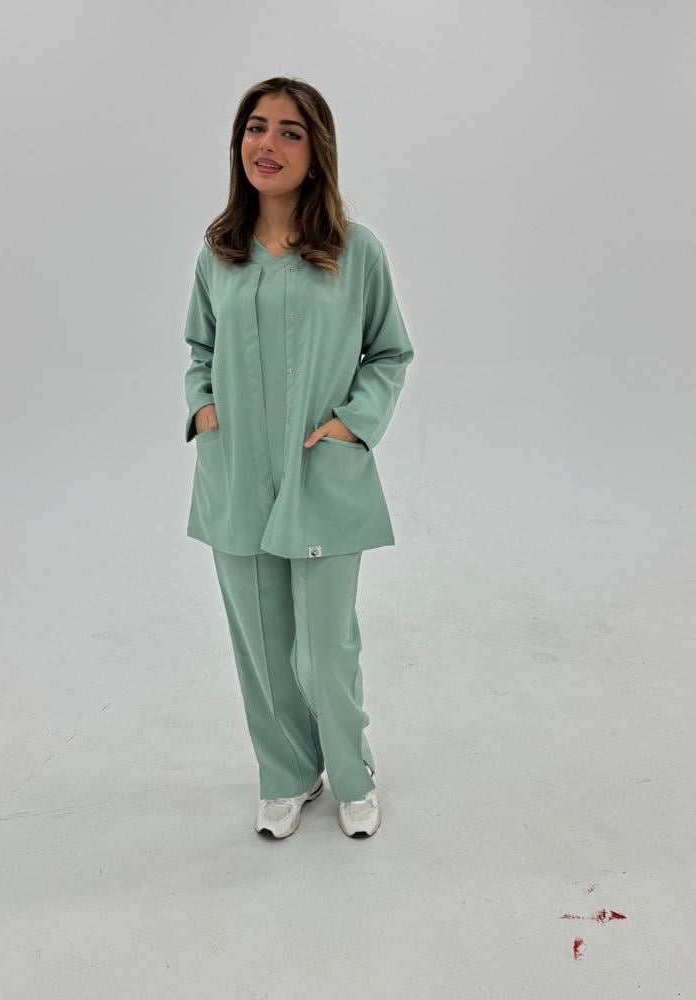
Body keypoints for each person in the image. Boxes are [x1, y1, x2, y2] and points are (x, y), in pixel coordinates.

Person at [182, 76, 414, 839]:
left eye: (289, 131)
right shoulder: (219, 252)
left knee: (322, 647)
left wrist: (353, 424)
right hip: (236, 475)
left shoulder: (355, 249)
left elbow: (388, 352)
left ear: (317, 151)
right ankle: (286, 772)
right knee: (260, 644)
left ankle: (351, 771)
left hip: (321, 474)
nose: (268, 144)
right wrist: (203, 410)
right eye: (256, 127)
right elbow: (199, 349)